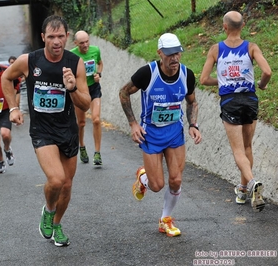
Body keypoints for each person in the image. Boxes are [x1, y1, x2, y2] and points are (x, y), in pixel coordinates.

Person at [1, 15, 90, 247]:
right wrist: (12, 108)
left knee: (67, 185)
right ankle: (48, 211)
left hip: (67, 130)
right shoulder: (29, 61)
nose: (56, 41)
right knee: (56, 179)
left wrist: (71, 89)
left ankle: (57, 224)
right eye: (51, 37)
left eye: (61, 36)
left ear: (67, 37)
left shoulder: (75, 63)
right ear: (43, 38)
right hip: (42, 131)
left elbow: (86, 103)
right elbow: (6, 77)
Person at [119, 33, 202, 237]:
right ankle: (144, 177)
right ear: (160, 53)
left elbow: (192, 101)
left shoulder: (186, 75)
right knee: (157, 186)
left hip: (174, 133)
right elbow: (124, 93)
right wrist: (133, 123)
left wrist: (193, 125)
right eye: (169, 54)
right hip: (151, 134)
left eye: (178, 53)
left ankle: (166, 219)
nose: (174, 58)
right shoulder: (147, 73)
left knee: (176, 180)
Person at [200, 11, 271, 212]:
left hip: (230, 101)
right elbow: (267, 72)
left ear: (224, 27)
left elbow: (204, 79)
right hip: (249, 99)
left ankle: (252, 184)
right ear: (242, 26)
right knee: (248, 147)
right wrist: (262, 85)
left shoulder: (216, 49)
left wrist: (223, 82)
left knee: (238, 151)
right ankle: (242, 190)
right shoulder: (251, 47)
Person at [70, 30, 104, 165]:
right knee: (81, 123)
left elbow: (100, 63)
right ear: (76, 43)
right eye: (82, 43)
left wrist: (98, 74)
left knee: (96, 119)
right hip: (80, 91)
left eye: (87, 41)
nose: (85, 45)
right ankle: (82, 146)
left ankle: (97, 153)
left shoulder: (95, 50)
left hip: (94, 88)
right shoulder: (72, 55)